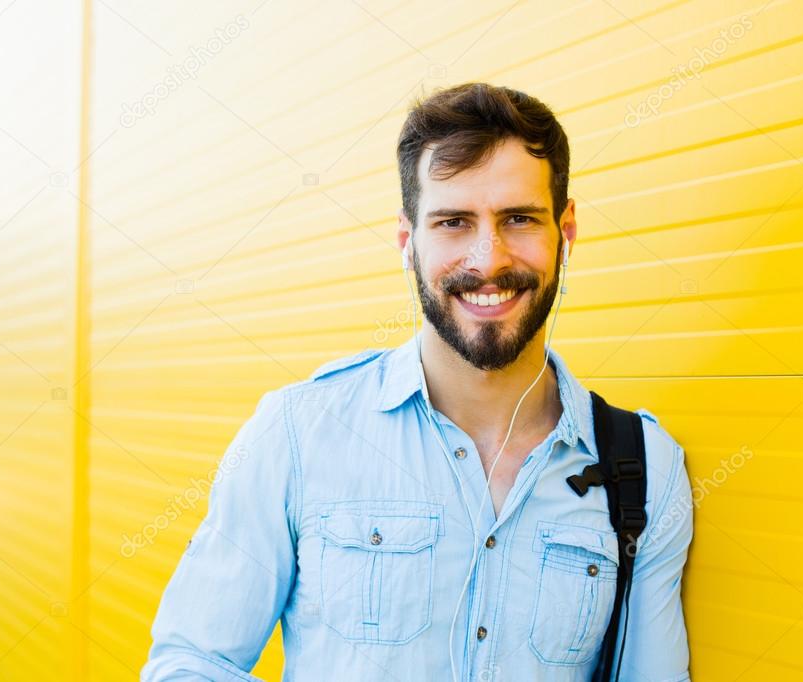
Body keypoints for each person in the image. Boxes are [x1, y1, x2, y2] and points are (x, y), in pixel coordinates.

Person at [142, 82, 693, 682]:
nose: (488, 259)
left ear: (566, 230)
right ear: (408, 241)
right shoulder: (298, 433)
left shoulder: (645, 471)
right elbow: (191, 664)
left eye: (519, 219)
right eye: (454, 222)